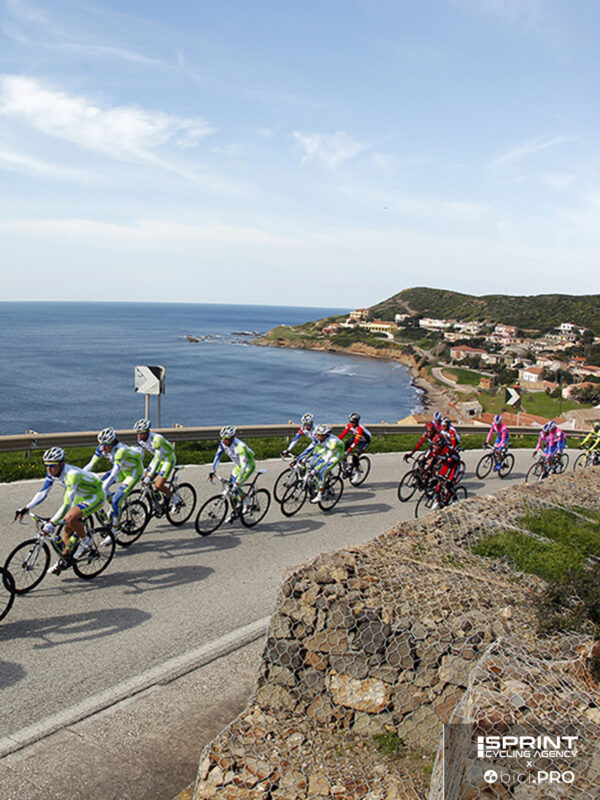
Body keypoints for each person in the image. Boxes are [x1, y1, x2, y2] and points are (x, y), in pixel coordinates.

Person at [14, 447, 105, 574]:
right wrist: (26, 508)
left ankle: (86, 543)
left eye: (52, 466)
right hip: (81, 494)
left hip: (95, 495)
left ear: (61, 464)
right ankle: (64, 559)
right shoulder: (51, 472)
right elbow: (43, 493)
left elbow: (67, 504)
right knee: (67, 529)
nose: (49, 469)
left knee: (69, 518)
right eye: (46, 465)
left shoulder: (72, 475)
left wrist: (52, 523)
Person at [88, 427, 144, 544]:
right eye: (101, 444)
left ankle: (114, 531)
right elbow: (91, 465)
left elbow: (113, 474)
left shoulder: (120, 451)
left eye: (106, 445)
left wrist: (103, 489)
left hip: (133, 473)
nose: (103, 448)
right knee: (98, 487)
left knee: (116, 501)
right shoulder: (103, 447)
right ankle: (112, 508)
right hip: (122, 471)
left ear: (113, 443)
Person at [209, 426, 256, 521]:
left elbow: (243, 467)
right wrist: (213, 471)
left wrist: (237, 483)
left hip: (247, 467)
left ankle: (247, 500)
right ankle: (235, 510)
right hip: (238, 467)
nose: (224, 441)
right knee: (231, 488)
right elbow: (217, 456)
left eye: (227, 439)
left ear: (233, 437)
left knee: (235, 486)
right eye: (222, 438)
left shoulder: (240, 447)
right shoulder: (223, 444)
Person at [133, 419, 180, 509]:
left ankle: (175, 498)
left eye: (142, 433)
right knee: (145, 477)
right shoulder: (140, 440)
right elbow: (141, 456)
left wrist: (149, 477)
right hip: (158, 458)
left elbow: (158, 460)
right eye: (137, 433)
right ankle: (155, 500)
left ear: (148, 431)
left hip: (168, 459)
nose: (139, 436)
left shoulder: (157, 439)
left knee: (158, 485)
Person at [293, 423, 344, 504]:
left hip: (335, 454)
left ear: (325, 435)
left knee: (322, 471)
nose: (317, 436)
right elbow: (315, 451)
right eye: (317, 434)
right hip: (326, 450)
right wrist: (305, 458)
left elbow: (327, 459)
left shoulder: (332, 443)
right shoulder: (320, 439)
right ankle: (317, 485)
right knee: (312, 464)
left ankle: (319, 495)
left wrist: (315, 470)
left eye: (319, 435)